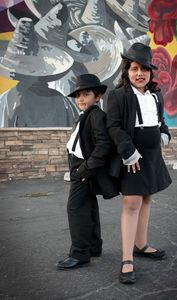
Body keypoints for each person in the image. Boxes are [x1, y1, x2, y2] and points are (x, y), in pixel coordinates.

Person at [106, 43, 172, 284]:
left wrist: (164, 134)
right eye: (135, 68)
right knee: (132, 201)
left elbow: (160, 121)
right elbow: (113, 126)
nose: (140, 73)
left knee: (146, 197)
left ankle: (141, 244)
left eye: (145, 68)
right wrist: (128, 151)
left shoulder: (156, 95)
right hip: (132, 155)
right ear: (127, 71)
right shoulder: (118, 95)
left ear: (151, 72)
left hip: (153, 154)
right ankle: (126, 259)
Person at [57, 74, 118, 270]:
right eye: (78, 95)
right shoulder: (86, 115)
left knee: (75, 209)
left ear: (98, 96)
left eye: (86, 94)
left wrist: (84, 169)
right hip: (81, 167)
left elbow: (103, 145)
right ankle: (93, 246)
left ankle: (80, 252)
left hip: (84, 169)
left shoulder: (97, 115)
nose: (81, 99)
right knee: (89, 207)